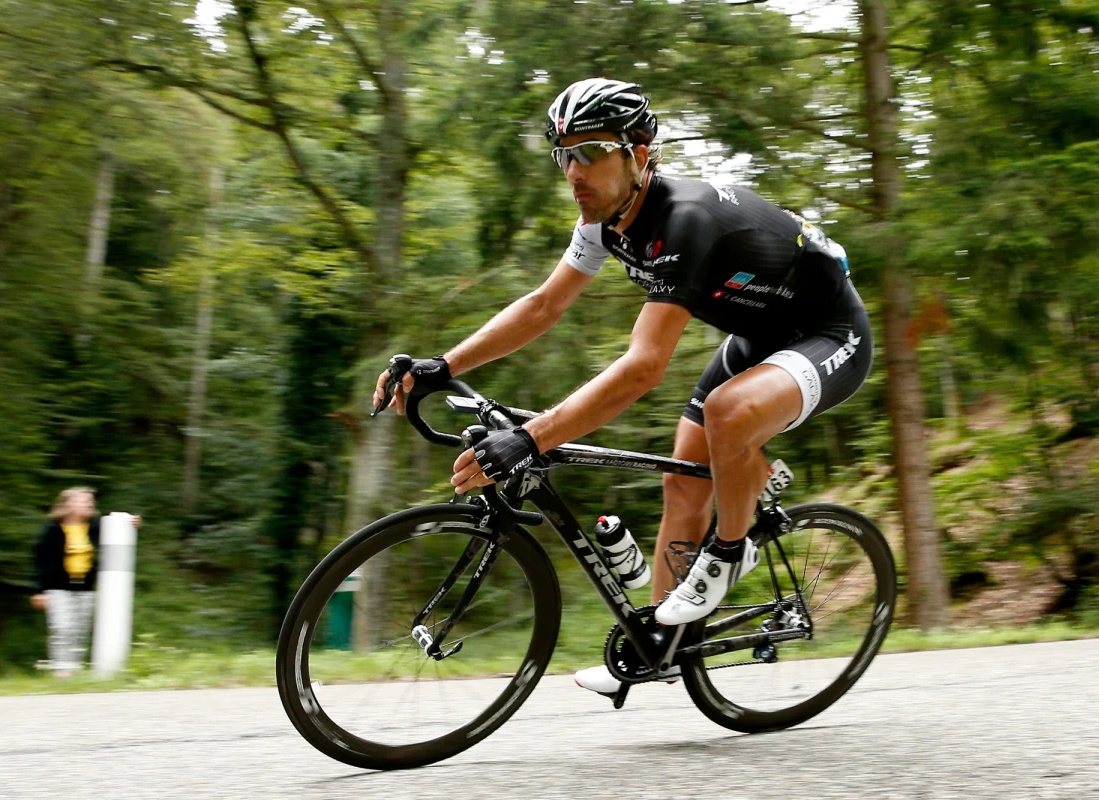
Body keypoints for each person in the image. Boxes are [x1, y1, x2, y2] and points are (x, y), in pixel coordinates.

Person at [372, 78, 872, 695]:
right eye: (564, 155)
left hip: (828, 332)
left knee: (727, 413)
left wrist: (531, 437)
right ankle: (662, 643)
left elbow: (642, 368)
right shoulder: (606, 221)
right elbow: (542, 305)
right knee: (684, 482)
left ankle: (731, 549)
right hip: (757, 337)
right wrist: (440, 366)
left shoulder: (684, 222)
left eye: (589, 152)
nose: (573, 172)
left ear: (638, 154)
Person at [30, 487, 140, 677]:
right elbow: (40, 561)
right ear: (69, 505)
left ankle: (75, 669)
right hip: (57, 588)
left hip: (86, 588)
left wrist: (132, 523)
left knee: (80, 629)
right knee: (62, 627)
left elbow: (119, 528)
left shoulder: (95, 528)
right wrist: (39, 590)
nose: (90, 504)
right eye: (84, 501)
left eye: (91, 501)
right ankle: (62, 669)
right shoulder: (52, 530)